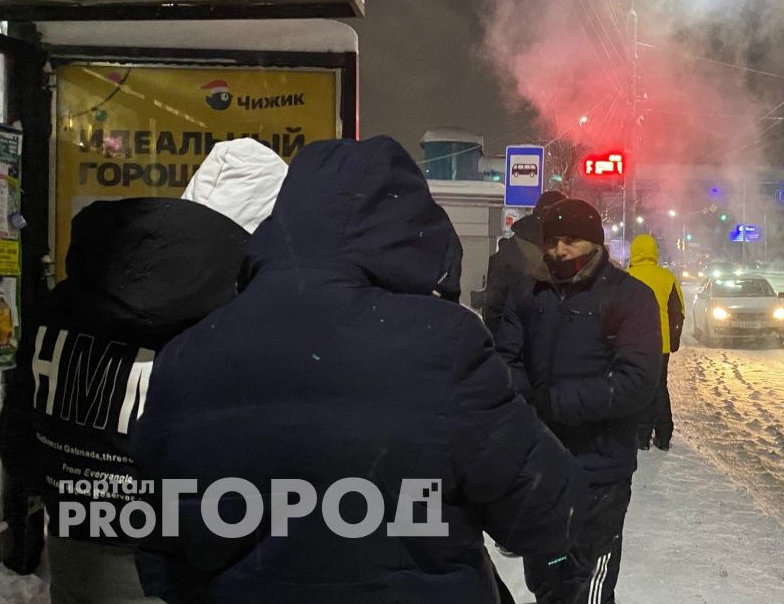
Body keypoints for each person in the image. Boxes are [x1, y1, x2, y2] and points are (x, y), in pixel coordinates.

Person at [131, 137, 585, 604]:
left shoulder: (187, 355)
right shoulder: (442, 346)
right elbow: (545, 510)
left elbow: (161, 553)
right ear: (413, 233)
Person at [0, 137, 287, 604]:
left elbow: (19, 428)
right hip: (178, 555)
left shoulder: (67, 299)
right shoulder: (235, 320)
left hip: (74, 537)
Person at [497, 199, 662, 604]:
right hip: (540, 466)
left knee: (588, 587)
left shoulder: (630, 298)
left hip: (599, 472)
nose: (559, 251)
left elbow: (637, 382)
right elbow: (506, 358)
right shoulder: (528, 293)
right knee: (548, 582)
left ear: (595, 244)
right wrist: (524, 404)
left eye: (571, 241)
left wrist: (552, 402)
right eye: (553, 241)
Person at [627, 234, 685, 451]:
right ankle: (663, 434)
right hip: (660, 345)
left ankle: (641, 436)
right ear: (654, 253)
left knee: (636, 387)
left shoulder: (626, 276)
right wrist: (673, 341)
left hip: (632, 344)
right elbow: (677, 313)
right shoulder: (667, 277)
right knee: (660, 386)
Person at [481, 189, 566, 335]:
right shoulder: (567, 250)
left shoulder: (512, 248)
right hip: (543, 343)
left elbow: (493, 308)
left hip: (517, 342)